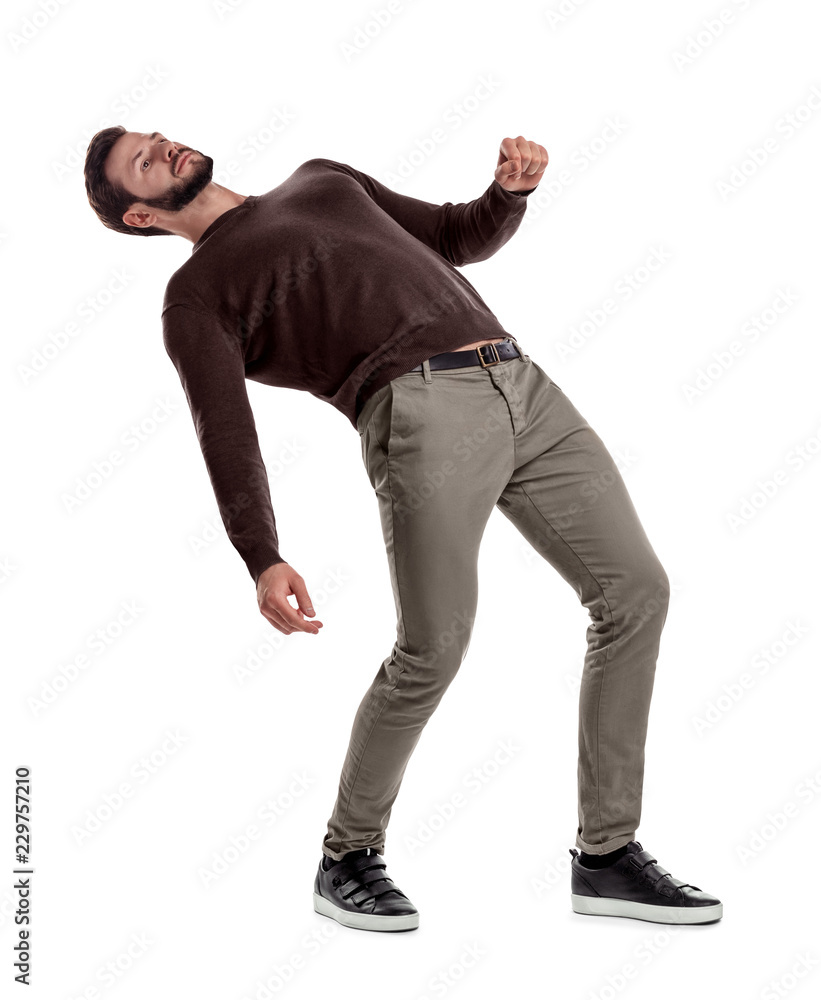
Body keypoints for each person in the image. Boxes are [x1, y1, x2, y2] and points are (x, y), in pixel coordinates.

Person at [84, 128, 723, 933]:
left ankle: (606, 857)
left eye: (157, 136)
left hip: (521, 382)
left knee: (636, 591)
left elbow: (456, 237)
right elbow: (225, 431)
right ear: (140, 218)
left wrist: (508, 195)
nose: (167, 146)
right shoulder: (196, 295)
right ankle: (346, 857)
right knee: (433, 645)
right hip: (418, 411)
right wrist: (262, 553)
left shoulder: (321, 177)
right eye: (146, 162)